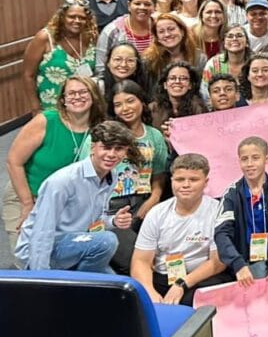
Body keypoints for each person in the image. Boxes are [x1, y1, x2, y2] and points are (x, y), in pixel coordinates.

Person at [15, 121, 136, 271]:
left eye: (118, 149)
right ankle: (77, 288)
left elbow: (92, 221)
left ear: (126, 151)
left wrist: (113, 221)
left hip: (74, 243)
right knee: (107, 241)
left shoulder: (112, 175)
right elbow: (42, 231)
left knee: (116, 288)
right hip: (41, 251)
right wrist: (40, 278)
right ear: (93, 147)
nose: (111, 154)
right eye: (106, 147)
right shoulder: (62, 181)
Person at [4, 76, 106, 249]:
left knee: (57, 257)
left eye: (83, 92)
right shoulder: (46, 121)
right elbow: (13, 161)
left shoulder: (99, 129)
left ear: (94, 96)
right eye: (71, 93)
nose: (77, 97)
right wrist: (27, 204)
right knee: (26, 259)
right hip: (26, 195)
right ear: (63, 100)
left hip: (63, 201)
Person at [80, 80, 170, 274]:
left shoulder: (154, 135)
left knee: (161, 256)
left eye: (130, 101)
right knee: (133, 260)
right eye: (118, 104)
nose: (125, 108)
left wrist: (154, 198)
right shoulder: (102, 135)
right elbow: (83, 174)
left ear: (142, 102)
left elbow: (159, 173)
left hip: (146, 204)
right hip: (111, 206)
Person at [131, 153, 232, 305]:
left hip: (199, 277)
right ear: (172, 181)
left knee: (202, 295)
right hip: (163, 276)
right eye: (179, 179)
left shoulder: (218, 212)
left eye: (193, 180)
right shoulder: (157, 213)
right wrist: (150, 293)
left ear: (206, 182)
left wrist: (182, 284)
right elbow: (140, 261)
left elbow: (218, 262)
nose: (185, 185)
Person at [214, 136, 268, 286]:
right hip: (245, 261)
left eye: (255, 158)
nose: (249, 164)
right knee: (260, 287)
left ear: (266, 159)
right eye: (244, 159)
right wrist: (238, 264)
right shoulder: (230, 194)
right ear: (239, 161)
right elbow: (221, 234)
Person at [22, 0, 98, 114]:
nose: (77, 21)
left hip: (83, 104)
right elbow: (28, 75)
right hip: (53, 107)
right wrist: (35, 108)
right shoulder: (45, 38)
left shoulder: (90, 37)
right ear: (62, 17)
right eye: (71, 16)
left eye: (82, 18)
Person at [95, 0, 155, 77]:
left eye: (147, 4)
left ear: (154, 7)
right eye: (137, 3)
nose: (142, 7)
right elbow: (100, 68)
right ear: (129, 5)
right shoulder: (112, 30)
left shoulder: (160, 28)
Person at [143, 13, 205, 85]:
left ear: (182, 31)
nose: (167, 34)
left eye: (171, 29)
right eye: (161, 32)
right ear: (157, 38)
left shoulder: (199, 58)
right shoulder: (149, 60)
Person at [150, 62, 207, 139]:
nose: (177, 82)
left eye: (183, 78)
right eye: (172, 78)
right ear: (165, 85)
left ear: (190, 85)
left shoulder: (198, 108)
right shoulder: (152, 108)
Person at [201, 24, 250, 101]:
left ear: (247, 42)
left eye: (239, 35)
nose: (234, 39)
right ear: (224, 43)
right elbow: (205, 93)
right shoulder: (213, 64)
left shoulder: (255, 62)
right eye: (230, 36)